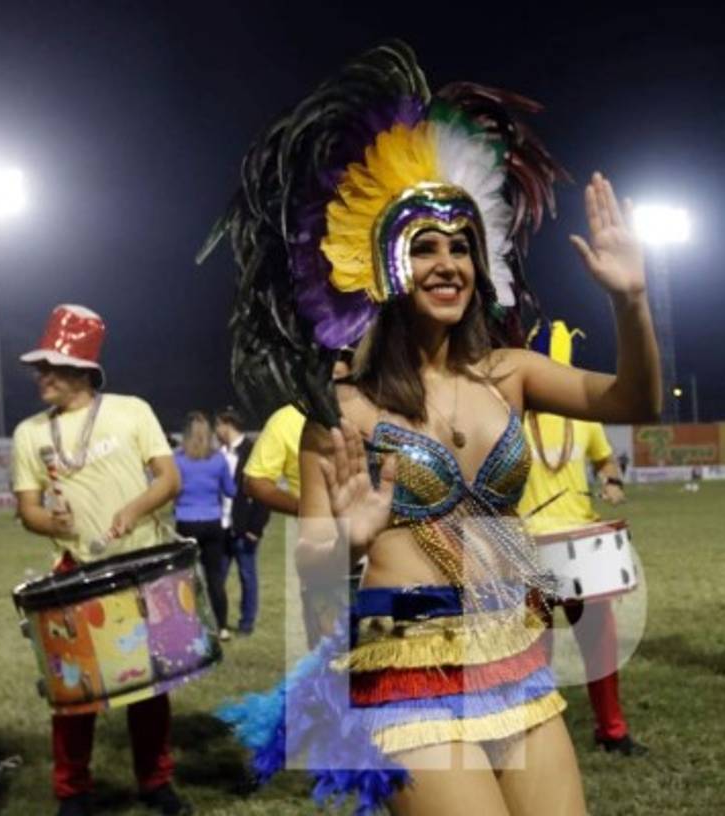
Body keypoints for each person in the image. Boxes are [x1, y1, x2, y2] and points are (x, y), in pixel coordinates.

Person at [207, 42, 660, 815]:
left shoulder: (512, 373)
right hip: (406, 662)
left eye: (461, 247)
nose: (447, 264)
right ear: (382, 265)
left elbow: (635, 403)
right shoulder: (341, 409)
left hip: (518, 649)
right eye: (424, 248)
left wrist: (630, 300)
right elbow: (316, 580)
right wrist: (348, 535)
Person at [10, 304, 188, 816]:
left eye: (49, 366)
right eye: (38, 367)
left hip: (142, 562)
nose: (39, 376)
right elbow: (27, 510)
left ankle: (156, 782)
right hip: (74, 572)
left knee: (150, 686)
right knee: (74, 694)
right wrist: (52, 523)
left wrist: (132, 510)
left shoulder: (132, 410)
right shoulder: (29, 434)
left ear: (81, 369)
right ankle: (73, 792)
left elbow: (168, 479)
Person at [518, 320, 646, 757]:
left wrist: (612, 481)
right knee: (535, 647)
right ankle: (535, 731)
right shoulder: (509, 415)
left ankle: (612, 730)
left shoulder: (583, 418)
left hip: (582, 548)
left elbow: (606, 461)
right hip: (528, 548)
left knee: (600, 646)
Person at [173, 411, 236, 639]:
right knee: (215, 578)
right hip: (212, 522)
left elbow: (172, 489)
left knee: (185, 578)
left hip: (186, 522)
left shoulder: (177, 459)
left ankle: (189, 627)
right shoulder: (218, 459)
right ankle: (222, 627)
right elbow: (230, 491)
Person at [213, 409, 268, 636]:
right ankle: (217, 622)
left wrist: (256, 528)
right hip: (220, 527)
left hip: (245, 529)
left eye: (216, 426)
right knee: (217, 578)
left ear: (226, 424)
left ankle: (246, 623)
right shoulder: (219, 454)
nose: (215, 431)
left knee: (247, 576)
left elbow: (265, 492)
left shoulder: (254, 451)